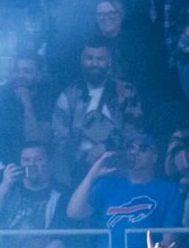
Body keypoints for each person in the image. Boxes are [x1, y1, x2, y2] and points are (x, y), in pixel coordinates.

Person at [66, 130, 177, 248]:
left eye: (142, 148)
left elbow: (169, 235)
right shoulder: (108, 184)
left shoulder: (168, 190)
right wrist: (93, 173)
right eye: (130, 147)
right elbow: (74, 212)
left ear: (154, 156)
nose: (135, 152)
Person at [47, 44, 145, 173]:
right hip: (79, 169)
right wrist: (85, 158)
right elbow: (59, 138)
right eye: (89, 58)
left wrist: (107, 147)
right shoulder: (68, 95)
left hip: (120, 167)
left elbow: (135, 132)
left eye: (100, 59)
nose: (94, 63)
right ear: (82, 60)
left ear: (109, 61)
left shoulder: (125, 91)